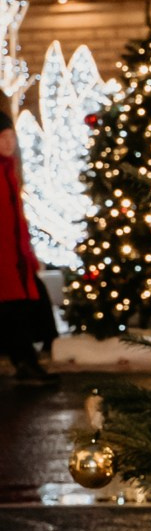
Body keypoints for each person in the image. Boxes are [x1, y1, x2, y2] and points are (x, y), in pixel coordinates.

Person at [0, 105, 55, 383]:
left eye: (11, 137)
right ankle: (26, 364)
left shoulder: (8, 172)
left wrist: (27, 257)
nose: (10, 143)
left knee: (18, 311)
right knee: (14, 313)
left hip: (15, 260)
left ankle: (27, 362)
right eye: (3, 137)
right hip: (5, 261)